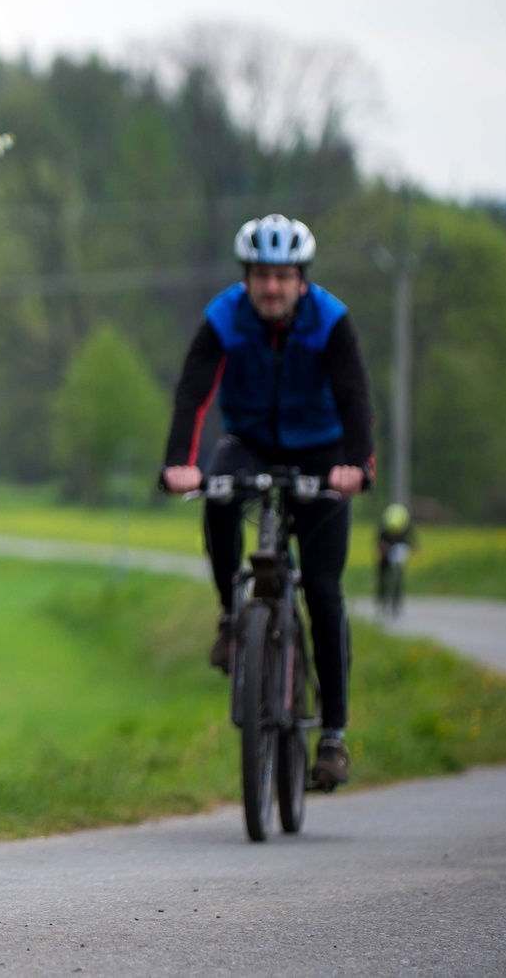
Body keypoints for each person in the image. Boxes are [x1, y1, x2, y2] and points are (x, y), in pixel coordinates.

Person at [160, 214, 374, 790]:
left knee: (323, 592)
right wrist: (179, 462)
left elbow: (354, 395)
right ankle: (232, 616)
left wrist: (358, 464)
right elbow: (193, 391)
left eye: (282, 276)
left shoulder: (330, 320)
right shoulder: (224, 317)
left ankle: (333, 735)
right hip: (249, 441)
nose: (272, 287)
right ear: (247, 278)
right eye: (261, 275)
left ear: (302, 279)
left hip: (322, 450)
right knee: (218, 494)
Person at [376, 502, 415, 619]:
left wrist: (412, 548)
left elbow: (412, 541)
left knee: (398, 578)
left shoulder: (405, 528)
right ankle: (382, 599)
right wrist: (382, 549)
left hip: (397, 555)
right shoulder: (384, 529)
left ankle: (396, 602)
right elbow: (378, 543)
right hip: (385, 555)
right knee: (383, 577)